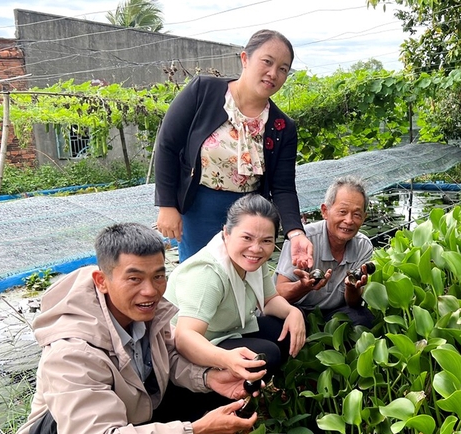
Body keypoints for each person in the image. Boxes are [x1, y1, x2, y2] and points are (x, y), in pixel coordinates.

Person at [11, 223, 259, 434]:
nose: (151, 290)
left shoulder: (145, 314)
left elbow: (167, 357)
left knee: (198, 388)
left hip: (128, 412)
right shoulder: (72, 350)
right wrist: (195, 432)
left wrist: (210, 378)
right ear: (103, 281)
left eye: (158, 276)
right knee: (65, 422)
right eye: (134, 278)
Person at [154, 29, 313, 269]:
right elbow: (167, 145)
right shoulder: (203, 91)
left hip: (249, 220)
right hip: (199, 209)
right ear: (245, 59)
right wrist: (167, 205)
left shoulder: (282, 127)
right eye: (267, 62)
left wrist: (296, 232)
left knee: (243, 285)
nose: (273, 73)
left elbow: (283, 188)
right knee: (199, 278)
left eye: (283, 68)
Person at [164, 194, 306, 381]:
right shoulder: (206, 273)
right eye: (247, 238)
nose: (256, 248)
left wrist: (292, 312)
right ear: (227, 233)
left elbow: (269, 300)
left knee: (289, 327)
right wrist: (227, 359)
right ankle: (230, 399)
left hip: (228, 330)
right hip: (190, 348)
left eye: (266, 241)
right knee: (265, 355)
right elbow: (184, 338)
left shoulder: (253, 261)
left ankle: (269, 387)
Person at [275, 175, 375, 328]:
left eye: (356, 214)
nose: (349, 221)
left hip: (334, 312)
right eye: (342, 212)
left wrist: (352, 287)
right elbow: (278, 292)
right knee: (276, 325)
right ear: (325, 211)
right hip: (297, 308)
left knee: (364, 319)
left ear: (364, 217)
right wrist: (303, 286)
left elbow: (353, 302)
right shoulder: (302, 239)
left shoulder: (363, 245)